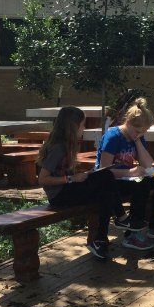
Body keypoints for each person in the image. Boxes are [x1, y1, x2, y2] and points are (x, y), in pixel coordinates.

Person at [37, 106, 119, 261]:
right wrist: (71, 179)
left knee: (104, 185)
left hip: (67, 190)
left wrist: (84, 175)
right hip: (59, 196)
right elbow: (42, 179)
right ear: (73, 126)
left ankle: (101, 239)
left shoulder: (67, 145)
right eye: (83, 124)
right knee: (106, 178)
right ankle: (116, 221)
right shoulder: (58, 148)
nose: (84, 128)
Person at [96, 97, 154, 251]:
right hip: (112, 182)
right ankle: (132, 233)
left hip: (129, 177)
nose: (139, 134)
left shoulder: (136, 136)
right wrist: (129, 172)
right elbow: (103, 171)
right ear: (128, 123)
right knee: (141, 184)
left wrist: (138, 141)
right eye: (138, 131)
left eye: (143, 132)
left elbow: (148, 164)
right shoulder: (113, 137)